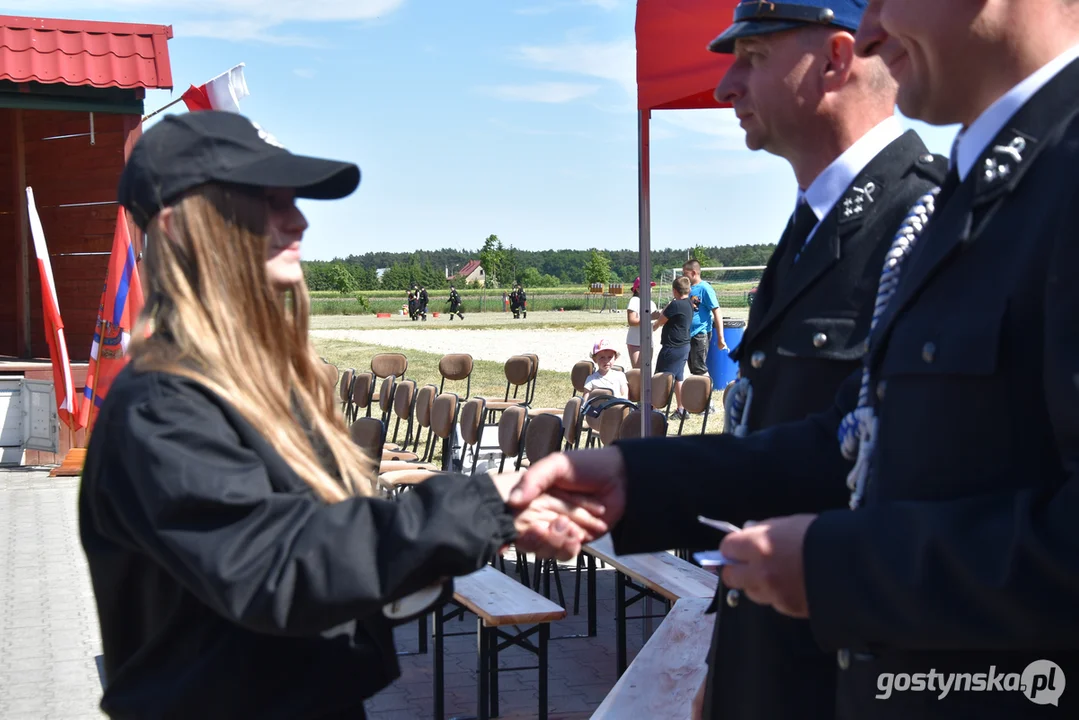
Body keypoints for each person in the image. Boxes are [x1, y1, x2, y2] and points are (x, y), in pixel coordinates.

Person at [510, 0, 1079, 716]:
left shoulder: (1035, 180)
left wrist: (837, 566)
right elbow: (856, 438)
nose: (872, 31)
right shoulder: (983, 191)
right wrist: (638, 478)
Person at [77, 110, 600, 719]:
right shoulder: (163, 406)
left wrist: (429, 561)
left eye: (292, 199)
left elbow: (323, 557)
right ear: (181, 229)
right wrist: (485, 505)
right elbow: (276, 564)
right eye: (266, 200)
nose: (296, 218)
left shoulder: (255, 384)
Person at [700, 1, 950, 717]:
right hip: (771, 659)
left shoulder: (922, 220)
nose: (725, 88)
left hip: (846, 674)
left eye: (751, 59)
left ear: (837, 60)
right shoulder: (814, 226)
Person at [652, 276, 694, 418]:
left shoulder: (676, 305)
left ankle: (653, 407)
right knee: (678, 378)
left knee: (660, 377)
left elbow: (661, 320)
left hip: (672, 347)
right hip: (683, 346)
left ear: (675, 291)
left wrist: (654, 325)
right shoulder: (689, 303)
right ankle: (682, 409)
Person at [682, 260, 727, 377]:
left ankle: (705, 393)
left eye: (685, 273)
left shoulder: (705, 288)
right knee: (693, 368)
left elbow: (716, 311)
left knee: (699, 368)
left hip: (700, 334)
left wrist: (721, 337)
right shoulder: (687, 289)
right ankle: (697, 393)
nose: (683, 276)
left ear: (693, 273)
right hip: (688, 334)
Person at [625, 276, 658, 369]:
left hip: (648, 340)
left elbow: (654, 326)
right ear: (638, 289)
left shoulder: (651, 303)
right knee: (638, 370)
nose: (650, 289)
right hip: (635, 340)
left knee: (646, 370)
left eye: (650, 287)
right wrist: (650, 317)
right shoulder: (635, 300)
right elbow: (631, 321)